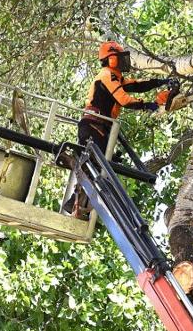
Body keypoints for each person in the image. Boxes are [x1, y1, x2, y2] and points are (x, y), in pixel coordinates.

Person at [61, 41, 175, 218]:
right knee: (92, 166)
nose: (123, 62)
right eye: (119, 58)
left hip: (100, 127)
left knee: (96, 168)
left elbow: (136, 85)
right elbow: (123, 99)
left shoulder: (116, 77)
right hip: (93, 125)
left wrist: (161, 82)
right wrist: (149, 105)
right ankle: (76, 204)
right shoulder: (107, 75)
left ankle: (78, 205)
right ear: (111, 59)